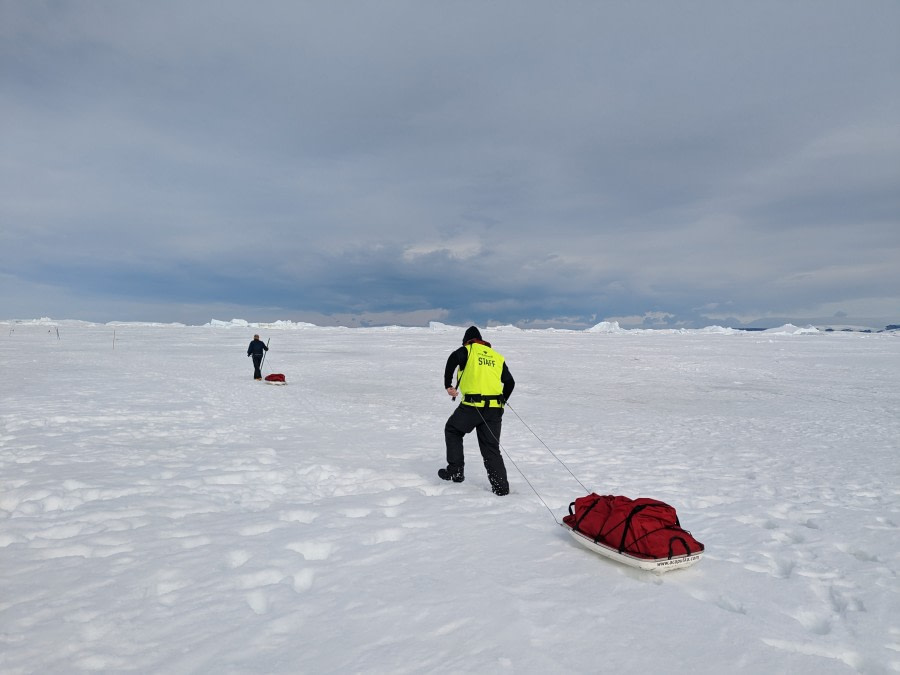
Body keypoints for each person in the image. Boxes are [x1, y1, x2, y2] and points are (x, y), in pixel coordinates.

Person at [440, 326, 515, 496]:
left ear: (466, 341)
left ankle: (455, 471)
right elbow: (510, 383)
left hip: (473, 406)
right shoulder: (496, 356)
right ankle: (501, 488)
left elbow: (453, 358)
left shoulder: (468, 350)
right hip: (495, 409)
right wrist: (502, 401)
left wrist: (448, 385)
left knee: (452, 430)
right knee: (491, 448)